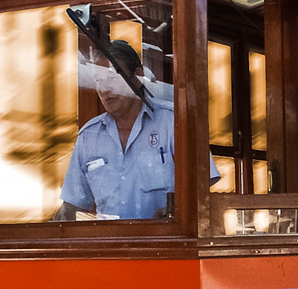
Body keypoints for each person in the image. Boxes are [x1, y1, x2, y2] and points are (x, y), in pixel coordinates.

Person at [55, 39, 218, 220]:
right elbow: (72, 204)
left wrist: (177, 211)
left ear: (138, 76)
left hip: (167, 244)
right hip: (110, 244)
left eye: (112, 78)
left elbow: (202, 187)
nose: (104, 89)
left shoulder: (173, 123)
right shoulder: (89, 136)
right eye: (98, 81)